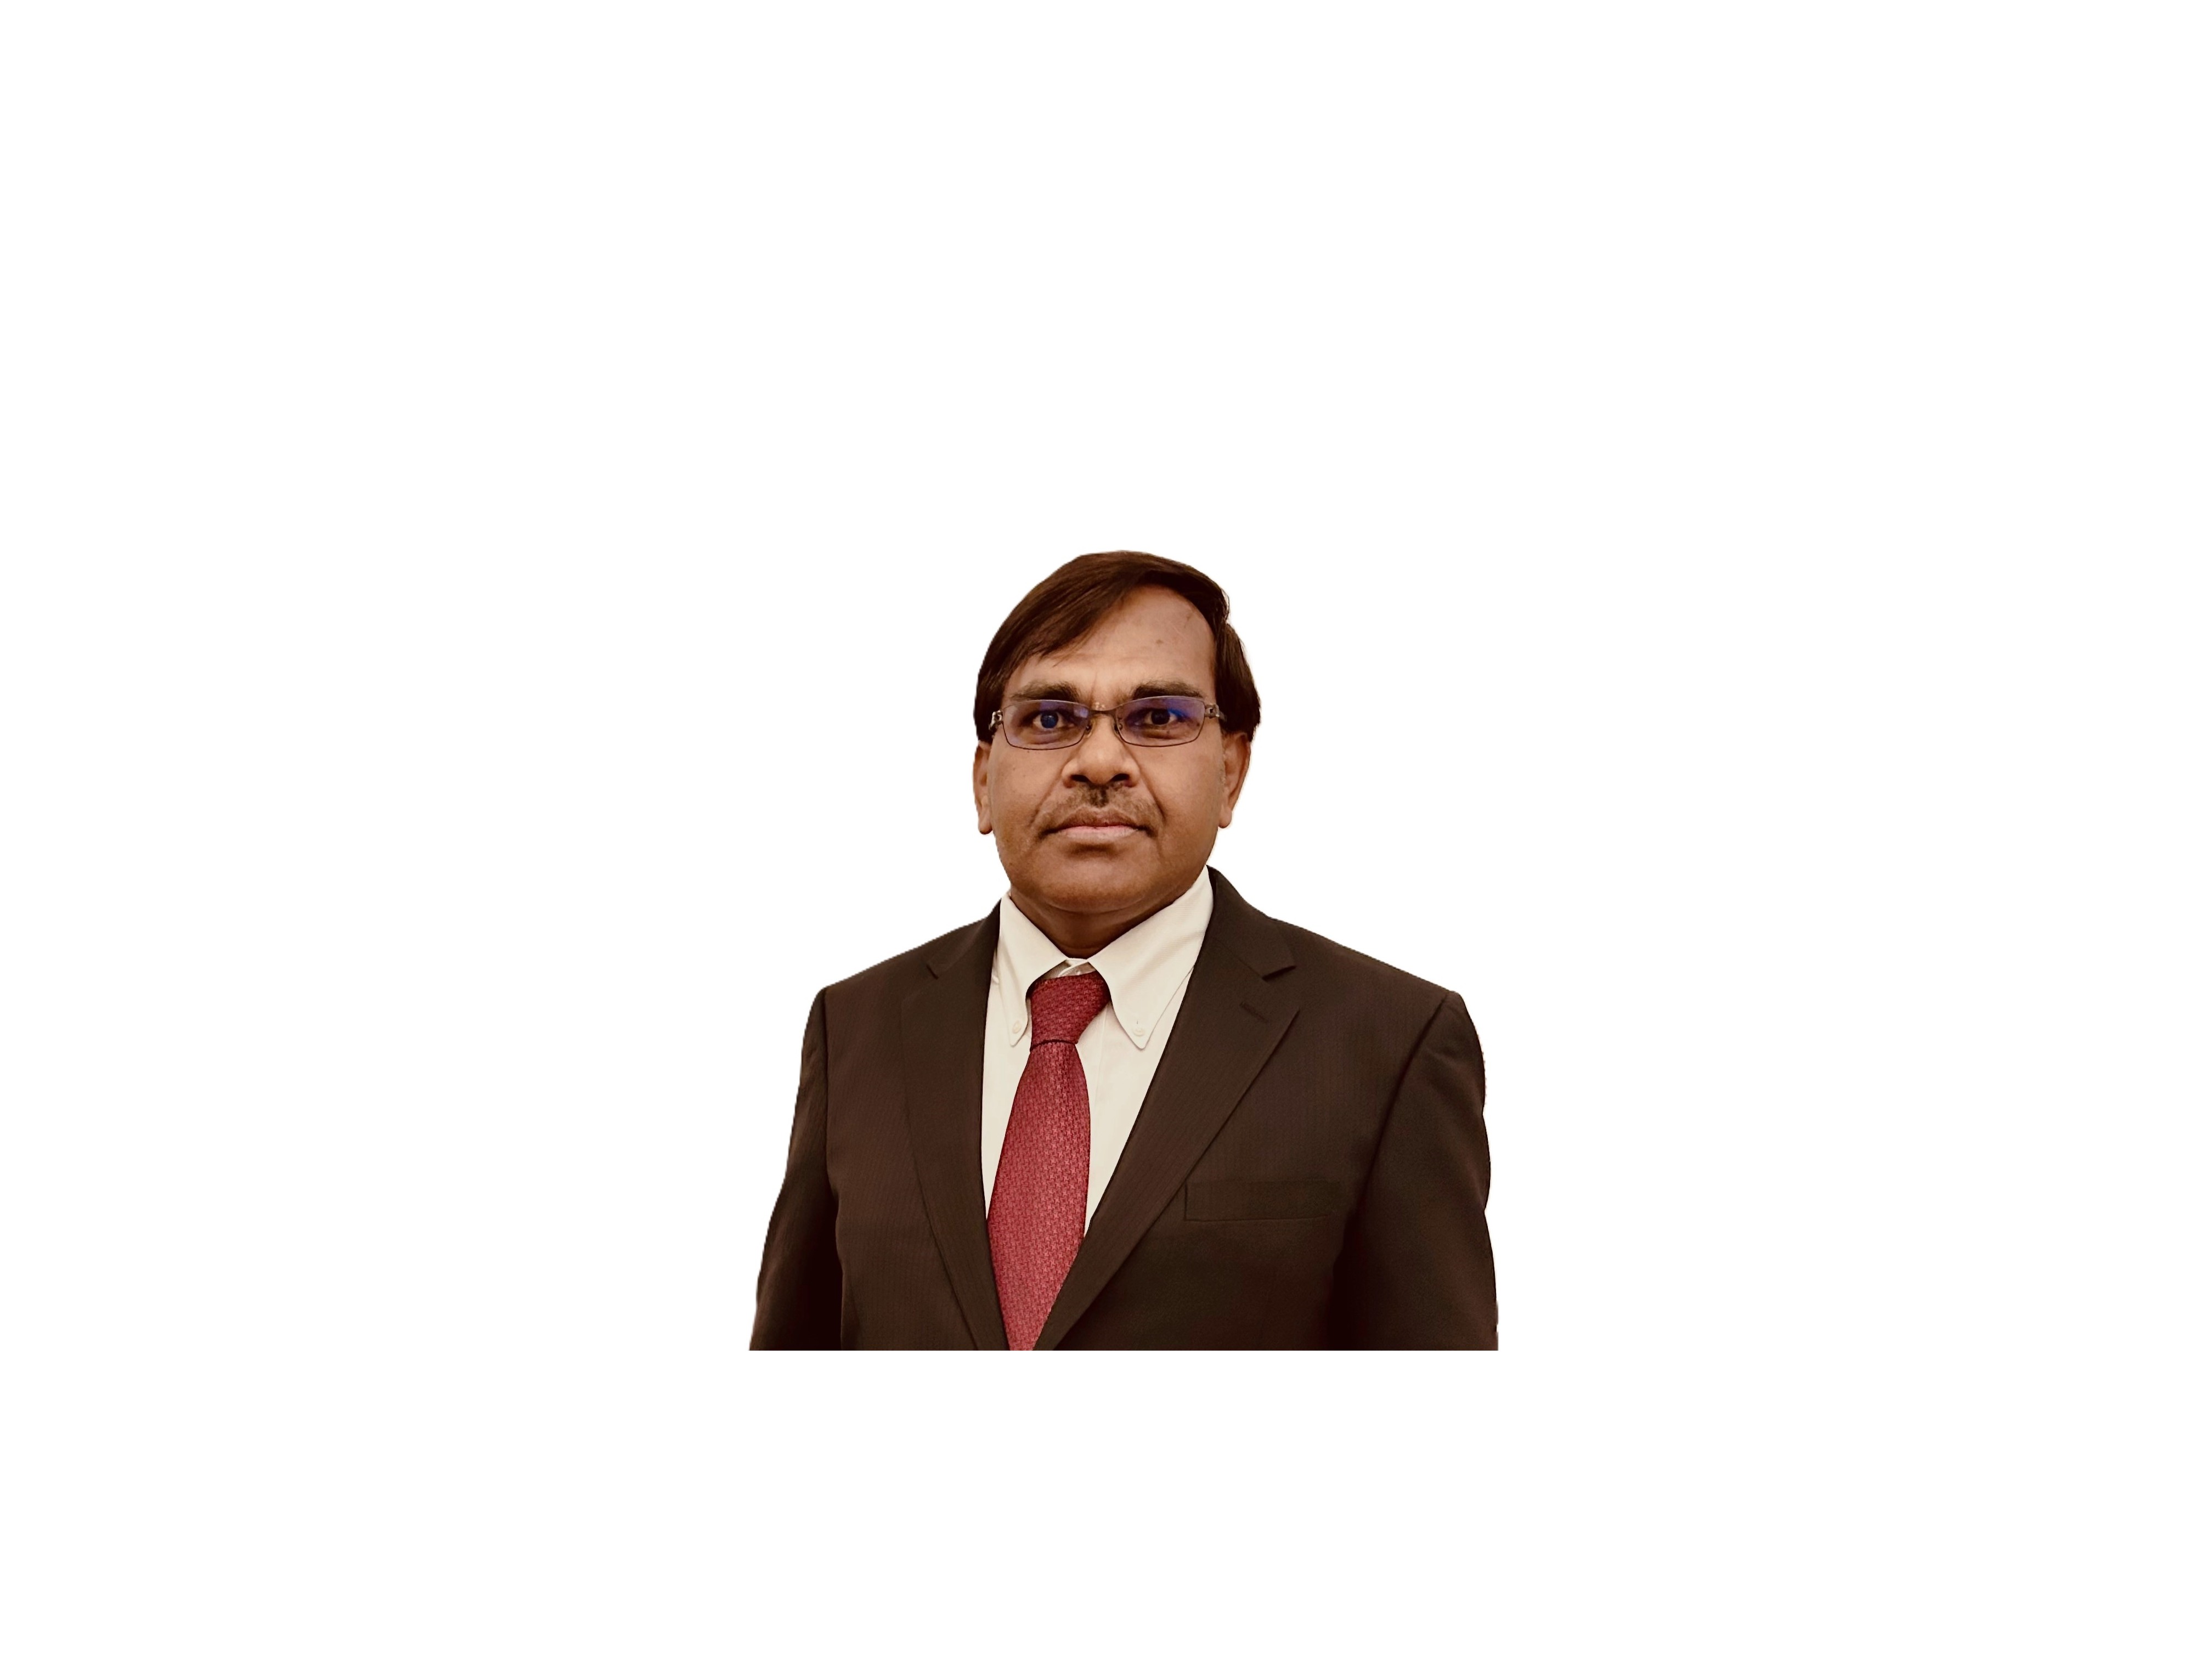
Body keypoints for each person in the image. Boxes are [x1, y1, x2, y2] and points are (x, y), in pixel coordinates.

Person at [750, 551, 1497, 1348]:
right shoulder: (855, 1029)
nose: (1100, 762)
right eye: (1048, 720)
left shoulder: (1390, 1044)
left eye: (1160, 718)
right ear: (982, 780)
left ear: (1232, 771)